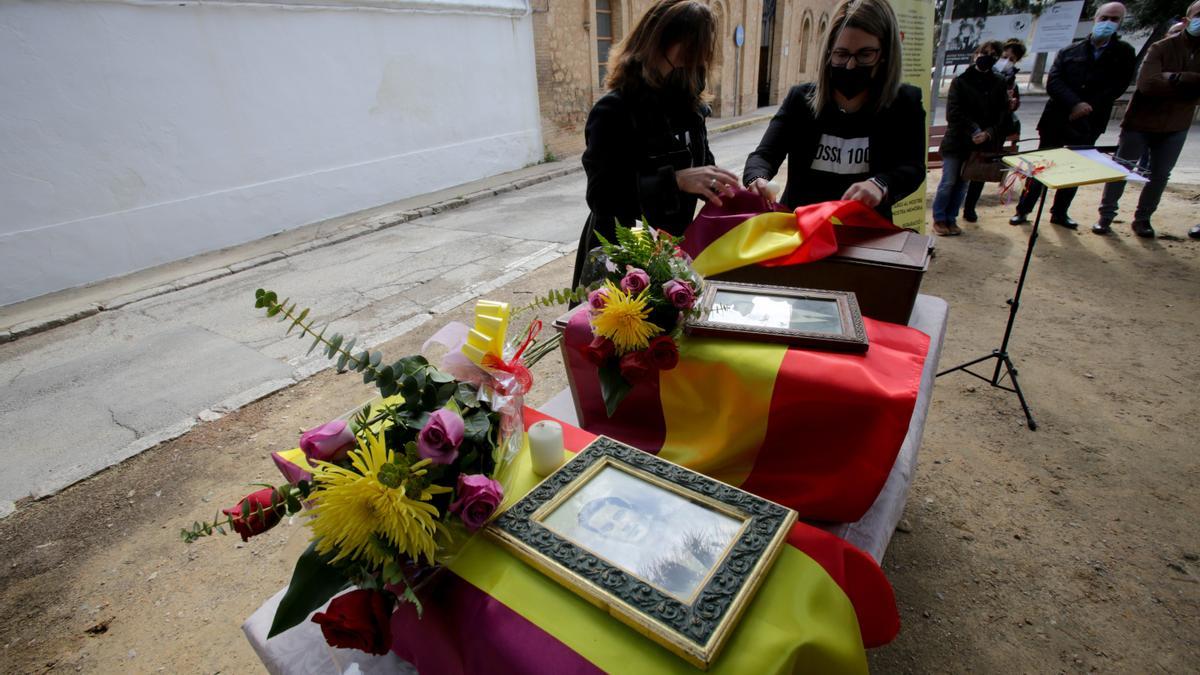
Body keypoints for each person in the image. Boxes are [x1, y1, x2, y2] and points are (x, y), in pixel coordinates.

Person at [574, 0, 740, 289]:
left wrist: (734, 192)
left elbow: (701, 170)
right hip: (618, 258)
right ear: (654, 44)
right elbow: (602, 197)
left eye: (700, 56)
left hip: (670, 257)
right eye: (687, 53)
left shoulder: (691, 108)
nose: (692, 65)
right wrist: (674, 181)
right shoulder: (613, 110)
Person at [741, 0, 925, 222]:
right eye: (841, 54)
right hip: (803, 230)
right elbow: (764, 156)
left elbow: (913, 168)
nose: (850, 65)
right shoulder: (800, 100)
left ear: (885, 53)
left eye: (865, 55)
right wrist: (757, 178)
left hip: (866, 232)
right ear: (829, 53)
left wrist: (881, 183)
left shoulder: (905, 103)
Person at [1010, 2, 1135, 229]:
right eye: (1104, 17)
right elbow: (1055, 82)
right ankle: (1023, 209)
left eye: (1114, 19)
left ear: (1120, 23)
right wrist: (1075, 104)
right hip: (1057, 119)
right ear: (1096, 19)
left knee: (1073, 170)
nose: (1108, 23)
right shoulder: (1070, 51)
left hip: (1090, 122)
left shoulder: (1124, 53)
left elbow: (1118, 85)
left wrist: (1087, 107)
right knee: (1041, 168)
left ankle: (1060, 213)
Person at [1094, 1, 1200, 239]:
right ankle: (1105, 216)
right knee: (1122, 168)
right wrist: (1190, 83)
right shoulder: (1161, 48)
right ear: (1187, 17)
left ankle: (1143, 219)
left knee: (1160, 174)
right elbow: (1148, 85)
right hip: (1140, 122)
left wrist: (1174, 78)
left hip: (1177, 124)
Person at [930, 41, 1011, 236]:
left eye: (993, 55)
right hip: (957, 141)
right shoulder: (961, 80)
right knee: (949, 181)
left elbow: (1003, 115)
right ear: (976, 54)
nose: (987, 57)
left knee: (963, 184)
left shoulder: (999, 82)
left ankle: (951, 218)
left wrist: (989, 133)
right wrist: (975, 131)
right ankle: (939, 218)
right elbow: (954, 113)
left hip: (980, 145)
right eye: (984, 53)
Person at [962, 38, 1028, 223]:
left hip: (991, 133)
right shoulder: (974, 76)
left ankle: (969, 207)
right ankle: (953, 211)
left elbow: (1008, 111)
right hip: (971, 132)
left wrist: (1011, 104)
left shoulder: (1010, 81)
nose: (1006, 61)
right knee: (959, 175)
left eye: (1011, 59)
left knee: (980, 172)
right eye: (1004, 56)